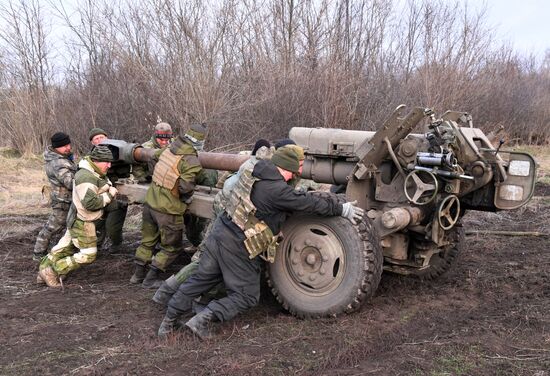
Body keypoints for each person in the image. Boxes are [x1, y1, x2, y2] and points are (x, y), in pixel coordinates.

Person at [157, 147, 364, 339]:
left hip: (220, 231)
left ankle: (168, 322)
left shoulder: (257, 170)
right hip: (237, 244)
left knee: (201, 279)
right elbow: (306, 203)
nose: (299, 172)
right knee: (247, 296)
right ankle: (203, 320)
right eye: (298, 167)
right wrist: (341, 208)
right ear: (287, 167)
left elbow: (293, 197)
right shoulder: (276, 190)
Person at [152, 139, 273, 306]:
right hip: (227, 213)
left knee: (208, 258)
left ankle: (175, 292)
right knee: (206, 259)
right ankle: (178, 294)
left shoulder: (249, 163)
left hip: (226, 209)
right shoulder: (258, 168)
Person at [130, 123, 206, 289]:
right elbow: (185, 188)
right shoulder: (191, 160)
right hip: (168, 210)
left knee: (147, 242)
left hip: (150, 203)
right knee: (172, 247)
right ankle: (151, 278)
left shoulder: (168, 149)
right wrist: (186, 197)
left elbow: (153, 157)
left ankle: (137, 276)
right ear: (200, 143)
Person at [37, 146, 117, 287]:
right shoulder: (86, 177)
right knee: (88, 254)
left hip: (77, 217)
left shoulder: (94, 171)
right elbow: (91, 203)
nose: (109, 165)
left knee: (63, 248)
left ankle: (42, 271)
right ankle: (54, 270)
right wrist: (109, 195)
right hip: (83, 220)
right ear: (96, 161)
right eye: (107, 162)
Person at [33, 132, 78, 261]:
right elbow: (70, 182)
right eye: (64, 146)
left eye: (68, 144)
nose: (68, 147)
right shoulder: (58, 163)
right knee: (53, 226)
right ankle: (38, 253)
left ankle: (66, 249)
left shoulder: (63, 157)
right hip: (62, 200)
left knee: (68, 226)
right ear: (56, 147)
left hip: (67, 198)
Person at [88, 127, 128, 253]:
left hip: (118, 194)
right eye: (96, 138)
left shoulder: (120, 151)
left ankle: (117, 244)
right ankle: (96, 246)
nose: (100, 140)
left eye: (102, 137)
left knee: (112, 227)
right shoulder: (90, 158)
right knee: (96, 224)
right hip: (100, 195)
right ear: (92, 142)